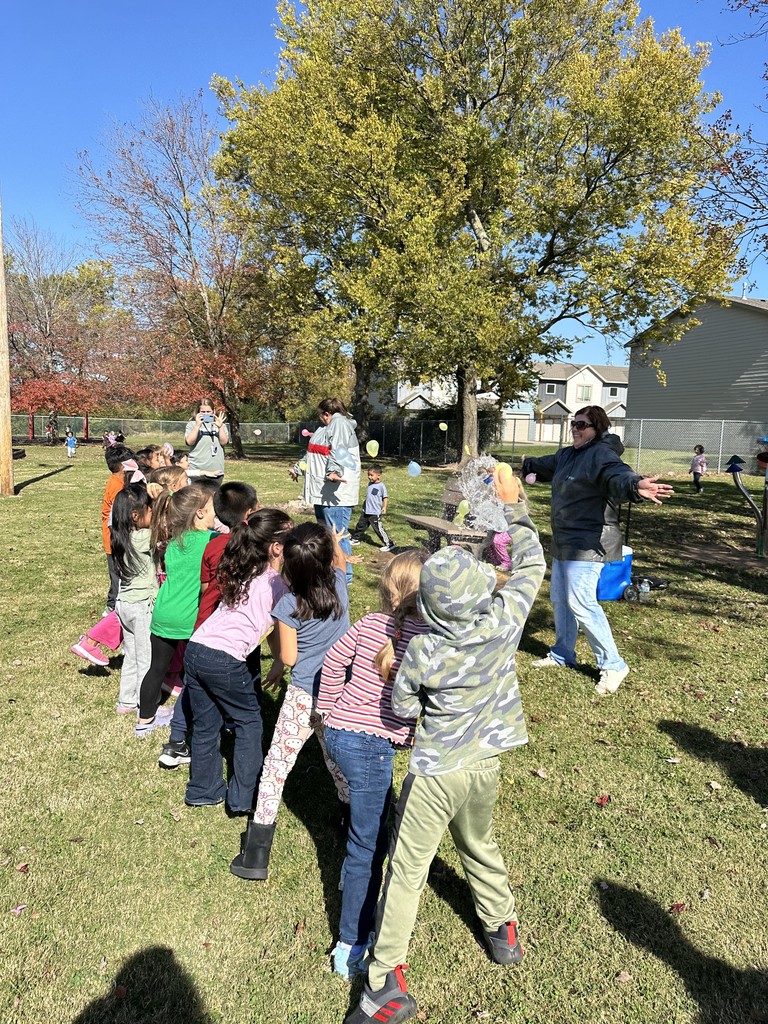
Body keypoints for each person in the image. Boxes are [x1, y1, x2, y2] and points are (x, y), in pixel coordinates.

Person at [345, 466, 545, 1024]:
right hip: (485, 766)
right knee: (479, 841)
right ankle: (501, 927)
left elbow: (406, 708)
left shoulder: (423, 651)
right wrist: (515, 508)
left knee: (406, 870)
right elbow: (531, 565)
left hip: (434, 773)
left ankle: (384, 984)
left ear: (428, 607)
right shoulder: (504, 623)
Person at [318, 550, 429, 980]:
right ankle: (351, 943)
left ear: (386, 588)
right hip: (370, 748)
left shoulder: (367, 624)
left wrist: (328, 708)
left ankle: (351, 878)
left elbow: (332, 662)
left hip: (339, 734)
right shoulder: (427, 638)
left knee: (364, 824)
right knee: (369, 844)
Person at [521, 406, 673, 695]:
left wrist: (635, 486)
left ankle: (613, 665)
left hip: (589, 542)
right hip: (564, 540)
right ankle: (563, 653)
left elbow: (616, 474)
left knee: (581, 602)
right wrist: (526, 465)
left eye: (582, 425)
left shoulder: (601, 454)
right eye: (573, 423)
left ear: (597, 428)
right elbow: (545, 464)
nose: (575, 429)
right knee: (560, 600)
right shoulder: (568, 455)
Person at [229, 522, 351, 881]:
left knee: (277, 766)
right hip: (338, 694)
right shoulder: (340, 585)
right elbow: (341, 564)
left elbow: (290, 657)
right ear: (326, 559)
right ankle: (350, 821)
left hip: (302, 696)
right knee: (336, 759)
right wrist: (334, 541)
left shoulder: (288, 604)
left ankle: (256, 854)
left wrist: (280, 663)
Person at [183, 509, 292, 811]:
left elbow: (269, 627)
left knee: (206, 723)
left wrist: (278, 661)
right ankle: (243, 798)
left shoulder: (244, 570)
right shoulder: (278, 585)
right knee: (249, 722)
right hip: (225, 659)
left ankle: (203, 789)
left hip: (197, 648)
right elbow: (281, 627)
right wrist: (283, 661)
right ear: (277, 548)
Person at [135, 481, 218, 740]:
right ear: (200, 513)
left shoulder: (173, 540)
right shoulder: (212, 541)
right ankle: (198, 718)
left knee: (156, 669)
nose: (216, 513)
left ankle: (144, 721)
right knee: (198, 674)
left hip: (163, 613)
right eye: (213, 508)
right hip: (191, 618)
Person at [70, 444, 136, 667]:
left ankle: (111, 612)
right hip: (117, 545)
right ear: (124, 467)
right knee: (121, 589)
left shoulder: (118, 482)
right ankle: (109, 627)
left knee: (119, 586)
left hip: (116, 543)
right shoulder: (118, 487)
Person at [290, 397, 361, 582]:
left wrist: (334, 471)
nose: (319, 418)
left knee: (337, 536)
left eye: (320, 415)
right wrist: (298, 468)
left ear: (327, 413)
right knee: (326, 534)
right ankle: (330, 570)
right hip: (322, 493)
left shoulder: (340, 425)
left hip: (336, 495)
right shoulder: (324, 428)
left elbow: (338, 450)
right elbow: (312, 454)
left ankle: (344, 576)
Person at [110, 484, 157, 715]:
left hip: (124, 605)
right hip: (141, 606)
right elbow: (167, 528)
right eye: (150, 509)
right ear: (136, 515)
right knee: (146, 659)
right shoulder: (144, 538)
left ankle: (125, 701)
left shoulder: (121, 538)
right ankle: (144, 706)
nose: (153, 512)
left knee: (131, 655)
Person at [349, 465, 394, 552]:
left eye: (371, 475)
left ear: (379, 475)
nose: (369, 477)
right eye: (368, 475)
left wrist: (384, 507)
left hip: (375, 513)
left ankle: (389, 544)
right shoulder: (370, 484)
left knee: (378, 529)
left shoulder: (381, 486)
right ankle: (355, 539)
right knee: (360, 525)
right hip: (366, 511)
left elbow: (385, 497)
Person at [185, 399, 229, 483]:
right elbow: (189, 442)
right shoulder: (192, 424)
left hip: (216, 471)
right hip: (197, 470)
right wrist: (197, 426)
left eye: (208, 411)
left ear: (213, 411)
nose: (206, 414)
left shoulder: (220, 425)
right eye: (203, 412)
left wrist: (220, 427)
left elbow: (224, 442)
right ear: (198, 412)